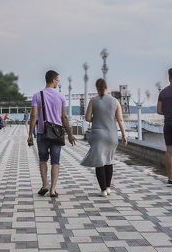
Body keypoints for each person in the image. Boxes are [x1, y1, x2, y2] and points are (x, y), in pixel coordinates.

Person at [27, 70, 76, 198]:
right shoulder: (61, 96)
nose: (58, 82)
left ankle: (45, 184)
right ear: (53, 80)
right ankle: (53, 190)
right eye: (57, 80)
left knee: (43, 159)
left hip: (42, 132)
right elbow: (64, 117)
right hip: (57, 133)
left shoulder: (37, 95)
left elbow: (34, 116)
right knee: (55, 161)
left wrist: (30, 134)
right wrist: (70, 134)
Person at [81, 78, 127, 196]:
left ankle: (103, 190)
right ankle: (108, 187)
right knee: (109, 161)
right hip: (111, 135)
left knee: (99, 162)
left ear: (97, 88)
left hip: (98, 135)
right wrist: (124, 134)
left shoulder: (93, 100)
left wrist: (96, 118)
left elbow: (87, 118)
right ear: (106, 87)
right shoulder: (115, 101)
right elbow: (120, 119)